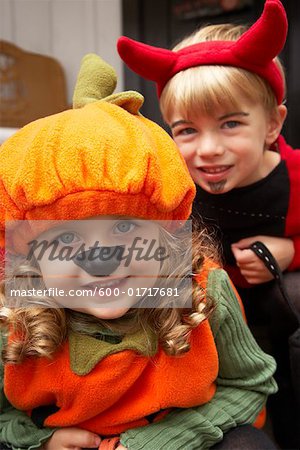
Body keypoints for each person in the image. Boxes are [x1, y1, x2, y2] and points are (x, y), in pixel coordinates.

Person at [0, 54, 278, 450]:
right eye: (65, 240)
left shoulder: (201, 285)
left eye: (125, 227)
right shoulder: (18, 306)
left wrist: (160, 441)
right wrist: (39, 439)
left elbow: (251, 384)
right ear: (30, 256)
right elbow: (4, 414)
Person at [117, 0, 300, 447]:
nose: (208, 150)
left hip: (277, 315)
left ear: (273, 124)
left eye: (231, 124)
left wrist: (292, 251)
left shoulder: (295, 177)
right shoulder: (168, 183)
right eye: (187, 131)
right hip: (207, 324)